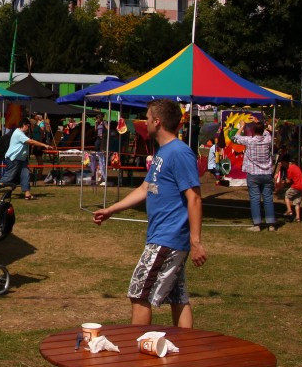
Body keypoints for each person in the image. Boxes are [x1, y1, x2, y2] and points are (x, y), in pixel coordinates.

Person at [93, 99, 207, 327]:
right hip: (163, 236)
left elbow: (194, 198)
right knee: (177, 296)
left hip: (168, 238)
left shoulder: (180, 153)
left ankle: (138, 355)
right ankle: (186, 349)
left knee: (139, 293)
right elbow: (145, 188)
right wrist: (111, 210)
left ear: (157, 121)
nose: (145, 122)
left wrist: (196, 242)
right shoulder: (162, 152)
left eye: (147, 118)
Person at [234, 119, 276, 232]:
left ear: (253, 131)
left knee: (255, 199)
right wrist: (260, 122)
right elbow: (269, 131)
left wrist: (242, 126)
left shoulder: (250, 140)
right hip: (266, 173)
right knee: (268, 198)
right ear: (263, 130)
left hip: (253, 173)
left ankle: (257, 224)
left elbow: (236, 137)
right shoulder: (268, 139)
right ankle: (271, 224)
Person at [0, 119, 48, 201]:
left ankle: (27, 194)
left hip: (21, 159)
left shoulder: (21, 133)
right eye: (28, 126)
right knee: (9, 176)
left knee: (25, 175)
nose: (28, 128)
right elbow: (31, 142)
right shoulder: (18, 133)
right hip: (14, 159)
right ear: (24, 125)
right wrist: (44, 145)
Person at [276, 153, 302, 222]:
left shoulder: (290, 169)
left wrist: (282, 183)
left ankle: (289, 210)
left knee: (287, 195)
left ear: (285, 162)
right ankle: (298, 217)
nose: (282, 164)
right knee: (297, 202)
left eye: (282, 163)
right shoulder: (295, 166)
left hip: (296, 186)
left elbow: (288, 181)